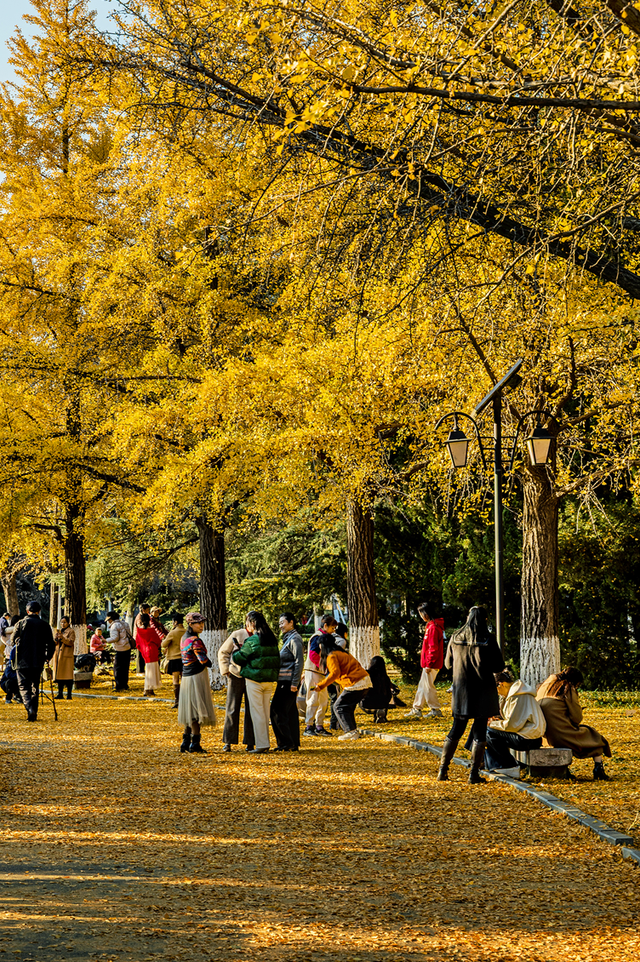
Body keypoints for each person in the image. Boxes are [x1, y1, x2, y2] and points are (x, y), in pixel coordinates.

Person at [438, 606, 504, 784]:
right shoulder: (489, 639)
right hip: (483, 690)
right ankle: (473, 774)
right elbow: (498, 667)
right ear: (484, 619)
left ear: (468, 618)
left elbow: (448, 664)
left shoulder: (456, 638)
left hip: (462, 691)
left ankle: (443, 770)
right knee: (479, 731)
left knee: (456, 730)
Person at [537, 667, 612, 780]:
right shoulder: (567, 688)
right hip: (560, 734)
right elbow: (577, 718)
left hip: (544, 736)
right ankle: (598, 768)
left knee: (586, 734)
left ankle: (566, 769)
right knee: (594, 736)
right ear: (576, 681)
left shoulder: (546, 686)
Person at [231, 611, 280, 754]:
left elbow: (239, 658)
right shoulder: (271, 639)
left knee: (257, 712)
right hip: (269, 680)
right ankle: (265, 742)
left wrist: (235, 651)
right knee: (265, 711)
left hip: (254, 680)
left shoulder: (252, 641)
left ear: (252, 623)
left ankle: (261, 744)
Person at [484, 670, 546, 777]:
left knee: (489, 732)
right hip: (527, 735)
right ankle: (494, 765)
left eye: (496, 690)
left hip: (528, 739)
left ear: (501, 684)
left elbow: (512, 726)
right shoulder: (513, 695)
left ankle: (509, 766)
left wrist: (491, 724)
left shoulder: (518, 696)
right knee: (486, 731)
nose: (497, 693)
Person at [312, 636, 372, 740]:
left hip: (355, 682)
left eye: (320, 645)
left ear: (323, 645)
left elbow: (335, 673)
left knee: (338, 707)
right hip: (364, 680)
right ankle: (353, 731)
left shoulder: (331, 656)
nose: (319, 647)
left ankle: (351, 732)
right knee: (347, 707)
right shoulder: (342, 652)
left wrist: (321, 685)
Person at [178, 612, 216, 753]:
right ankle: (195, 744)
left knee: (189, 709)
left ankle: (185, 741)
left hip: (187, 676)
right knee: (196, 710)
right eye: (198, 623)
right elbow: (203, 659)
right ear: (190, 624)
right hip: (197, 676)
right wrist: (210, 663)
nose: (201, 625)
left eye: (202, 622)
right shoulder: (195, 640)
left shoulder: (184, 638)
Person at [11, 601, 55, 721]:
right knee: (35, 685)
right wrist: (48, 657)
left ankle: (30, 708)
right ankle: (34, 711)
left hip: (22, 661)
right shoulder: (44, 625)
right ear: (39, 611)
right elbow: (51, 644)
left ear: (27, 611)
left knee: (23, 686)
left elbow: (12, 640)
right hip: (38, 659)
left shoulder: (20, 624)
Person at [270, 613, 304, 752]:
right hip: (285, 680)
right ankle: (292, 743)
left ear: (291, 623)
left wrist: (295, 683)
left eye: (282, 622)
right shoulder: (288, 639)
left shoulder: (295, 639)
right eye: (279, 623)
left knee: (277, 711)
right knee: (290, 712)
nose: (280, 626)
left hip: (288, 681)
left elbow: (299, 661)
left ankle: (285, 743)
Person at [218, 627, 255, 752]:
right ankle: (228, 741)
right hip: (235, 676)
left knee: (251, 710)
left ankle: (250, 742)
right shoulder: (238, 634)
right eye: (251, 621)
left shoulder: (259, 635)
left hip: (252, 676)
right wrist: (226, 670)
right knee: (232, 708)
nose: (253, 625)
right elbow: (223, 651)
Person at [406, 603, 445, 719]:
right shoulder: (432, 626)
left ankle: (435, 709)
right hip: (430, 663)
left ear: (425, 614)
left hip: (431, 664)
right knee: (423, 686)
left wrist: (429, 663)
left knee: (427, 686)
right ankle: (417, 708)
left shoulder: (433, 627)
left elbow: (433, 648)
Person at [303, 614, 338, 737]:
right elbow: (313, 655)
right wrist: (324, 666)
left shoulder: (325, 637)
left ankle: (319, 725)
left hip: (321, 672)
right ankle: (309, 726)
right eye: (332, 628)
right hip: (313, 671)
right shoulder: (317, 637)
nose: (333, 631)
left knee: (323, 700)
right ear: (325, 626)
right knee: (313, 699)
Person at [360, 655, 401, 722]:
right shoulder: (385, 677)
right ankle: (381, 713)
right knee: (384, 696)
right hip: (383, 703)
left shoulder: (367, 675)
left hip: (367, 704)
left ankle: (376, 712)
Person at [135, 613, 164, 696]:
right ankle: (148, 689)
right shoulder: (151, 630)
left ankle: (148, 688)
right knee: (152, 670)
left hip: (145, 651)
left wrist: (142, 650)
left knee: (148, 670)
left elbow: (137, 644)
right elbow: (158, 641)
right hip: (153, 651)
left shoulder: (139, 631)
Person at [161, 615, 186, 709]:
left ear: (175, 622)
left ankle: (177, 701)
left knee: (175, 680)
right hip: (185, 658)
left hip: (174, 658)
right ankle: (185, 700)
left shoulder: (173, 632)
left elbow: (164, 644)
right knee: (184, 679)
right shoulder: (187, 631)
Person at [105, 611, 133, 691]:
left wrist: (105, 640)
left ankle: (119, 685)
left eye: (108, 620)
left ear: (111, 619)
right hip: (127, 647)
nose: (108, 622)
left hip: (120, 649)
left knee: (117, 668)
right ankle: (125, 684)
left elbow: (115, 638)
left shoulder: (114, 626)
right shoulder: (125, 624)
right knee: (125, 667)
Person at [52, 617, 76, 700]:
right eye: (61, 622)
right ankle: (60, 694)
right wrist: (56, 638)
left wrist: (62, 637)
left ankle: (69, 695)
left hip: (66, 655)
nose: (63, 624)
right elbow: (55, 643)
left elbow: (70, 642)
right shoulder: (59, 631)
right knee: (59, 676)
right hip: (59, 655)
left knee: (68, 676)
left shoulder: (71, 631)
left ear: (68, 623)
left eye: (65, 622)